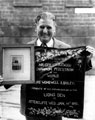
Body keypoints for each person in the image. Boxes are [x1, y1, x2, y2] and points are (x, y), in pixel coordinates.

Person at [0, 11, 95, 120]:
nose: (45, 31)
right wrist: (4, 79)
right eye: (42, 27)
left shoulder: (65, 49)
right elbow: (16, 73)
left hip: (55, 106)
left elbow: (74, 71)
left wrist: (87, 59)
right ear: (36, 28)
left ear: (54, 29)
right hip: (31, 107)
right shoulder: (26, 49)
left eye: (49, 27)